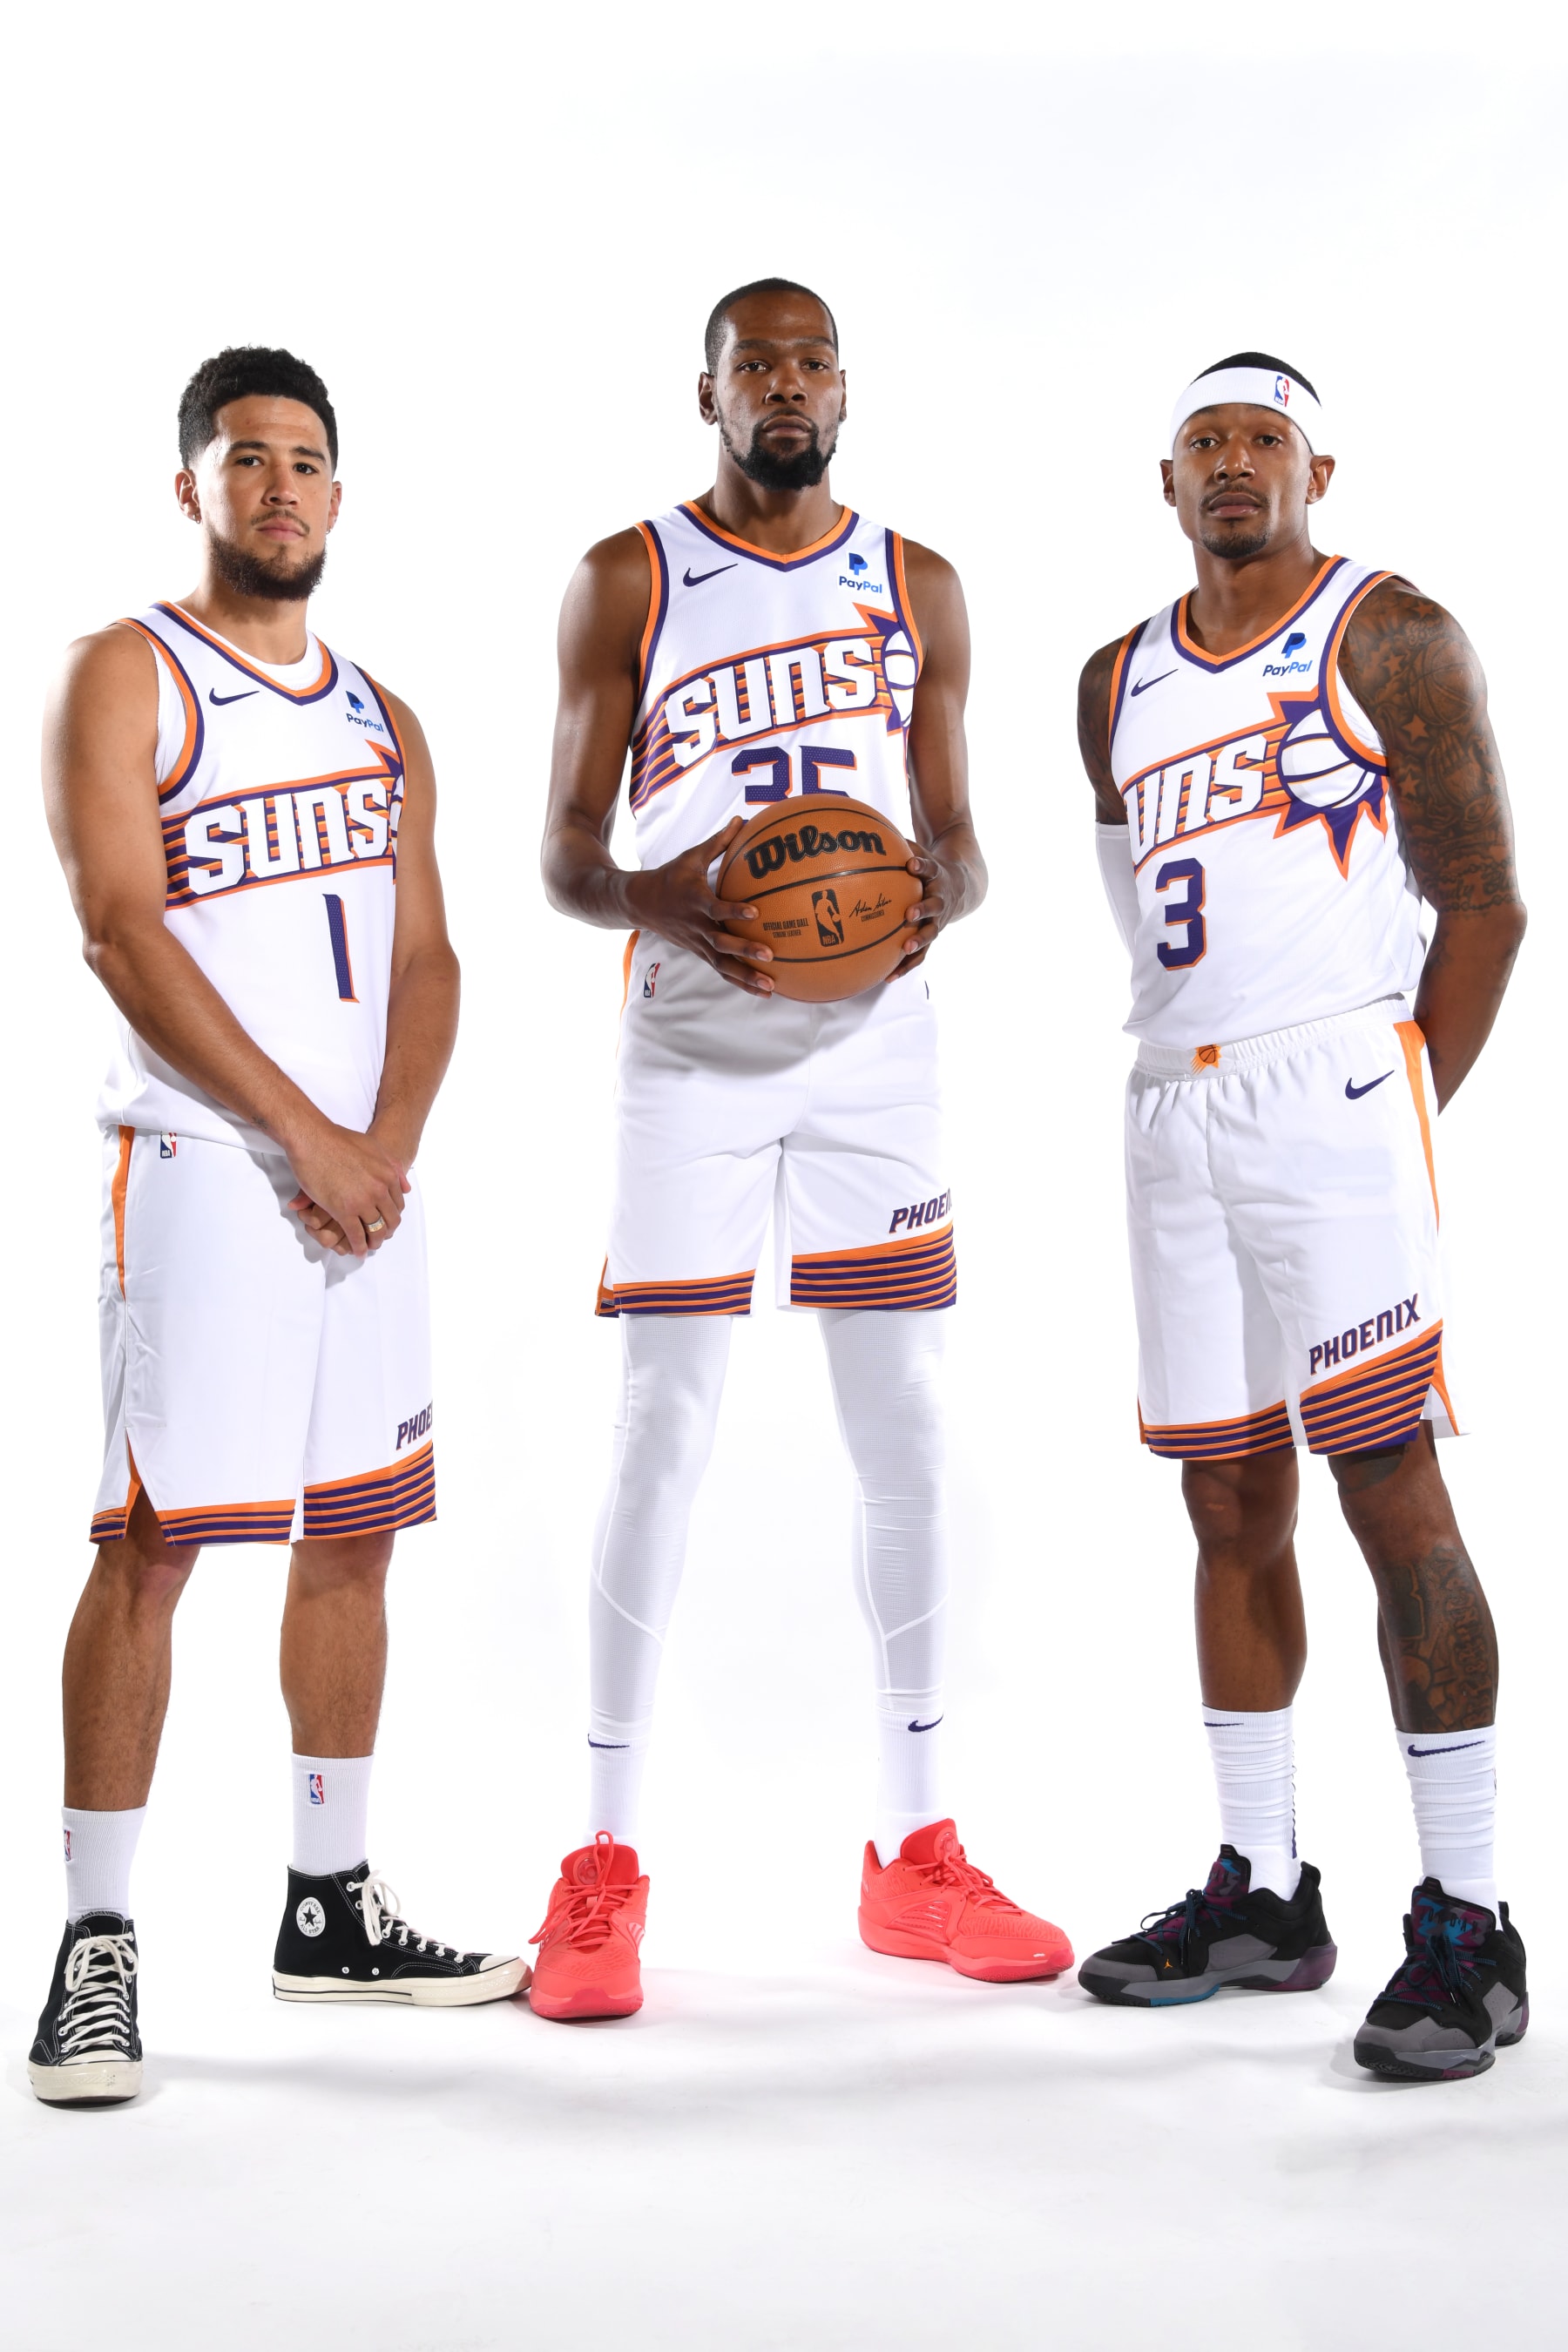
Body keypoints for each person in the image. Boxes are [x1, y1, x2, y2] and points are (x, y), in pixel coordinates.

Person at [532, 277, 1071, 2020]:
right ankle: (601, 1862)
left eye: (815, 361)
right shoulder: (629, 574)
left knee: (902, 1425)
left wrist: (928, 903)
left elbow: (965, 844)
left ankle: (915, 1850)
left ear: (847, 390)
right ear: (707, 391)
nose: (788, 385)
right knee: (666, 1429)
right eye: (756, 363)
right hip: (692, 1043)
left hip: (873, 1050)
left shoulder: (920, 581)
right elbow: (565, 851)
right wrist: (658, 898)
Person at [28, 346, 524, 2108]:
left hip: (361, 1192)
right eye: (247, 459)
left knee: (357, 1536)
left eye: (306, 459)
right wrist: (304, 1134)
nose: (281, 487)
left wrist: (384, 1144)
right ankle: (95, 1946)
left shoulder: (385, 715)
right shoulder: (126, 671)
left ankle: (330, 1904)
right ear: (193, 487)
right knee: (156, 1542)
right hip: (202, 1167)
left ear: (338, 489)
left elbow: (429, 956)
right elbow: (119, 927)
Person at [1075, 353, 1528, 2079]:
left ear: (1314, 468)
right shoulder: (1111, 680)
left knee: (1386, 1481)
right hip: (1173, 1100)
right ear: (1166, 481)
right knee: (1226, 1494)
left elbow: (1486, 905)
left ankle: (1472, 1922)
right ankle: (1264, 1890)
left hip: (1334, 1083)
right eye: (1204, 441)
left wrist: (1398, 1108)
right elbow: (1144, 911)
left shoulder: (1390, 633)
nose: (1233, 463)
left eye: (1264, 437)